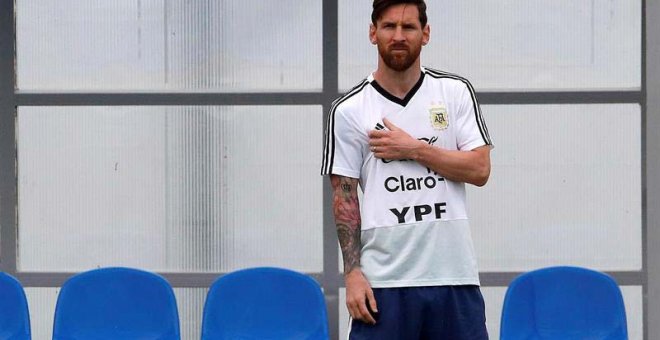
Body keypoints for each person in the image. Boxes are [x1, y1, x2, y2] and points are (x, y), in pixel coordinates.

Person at [321, 0, 493, 339]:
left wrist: (413, 148)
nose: (399, 36)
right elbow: (344, 198)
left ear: (425, 34)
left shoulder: (454, 92)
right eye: (389, 26)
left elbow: (479, 168)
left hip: (452, 278)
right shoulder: (349, 109)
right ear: (373, 33)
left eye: (409, 27)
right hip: (385, 285)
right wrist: (353, 275)